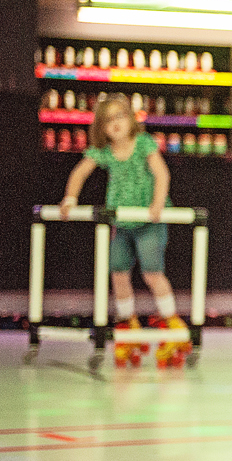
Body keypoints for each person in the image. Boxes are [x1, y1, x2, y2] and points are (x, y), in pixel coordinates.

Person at [59, 95, 184, 353]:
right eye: (108, 120)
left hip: (148, 221)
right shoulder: (104, 152)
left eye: (120, 116)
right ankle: (128, 322)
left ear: (131, 120)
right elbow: (80, 172)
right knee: (117, 271)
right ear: (101, 127)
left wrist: (158, 203)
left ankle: (171, 322)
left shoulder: (143, 144)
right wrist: (70, 198)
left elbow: (161, 172)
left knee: (152, 272)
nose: (115, 123)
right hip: (122, 223)